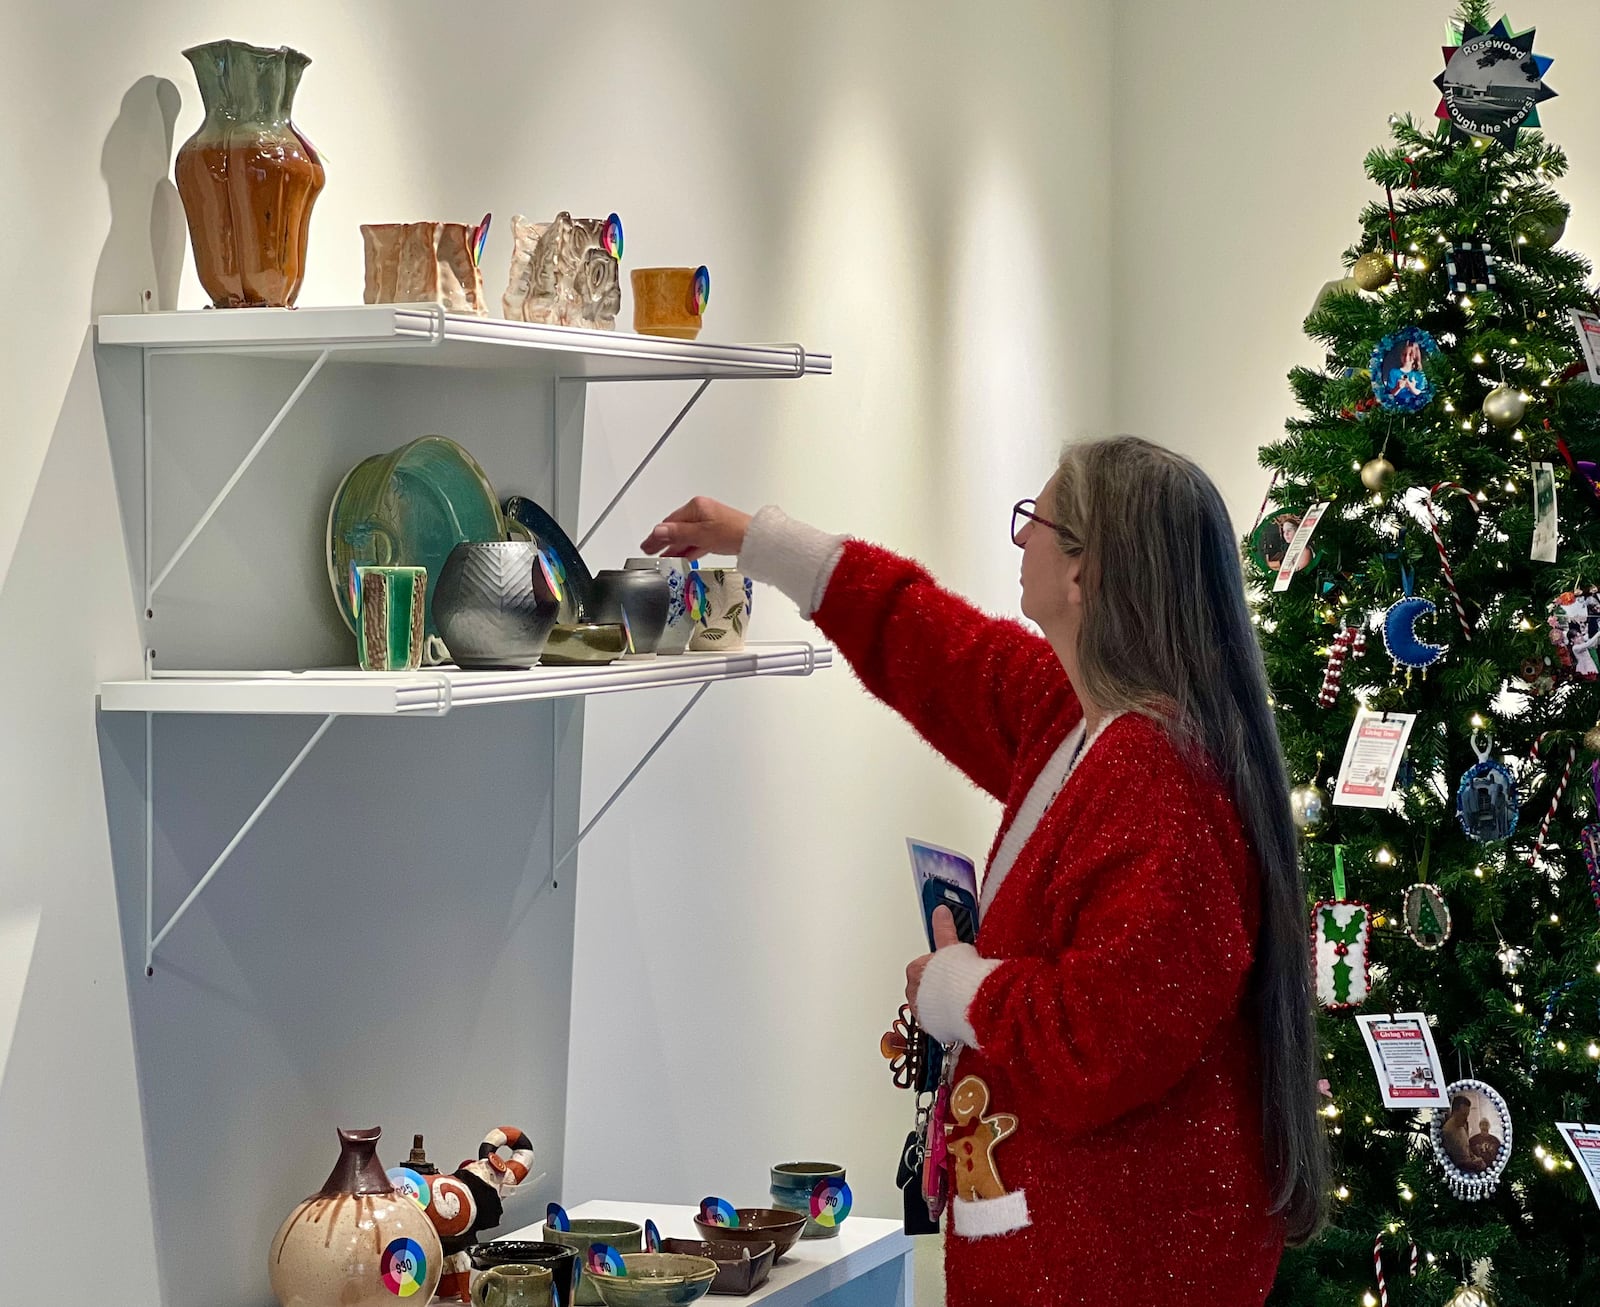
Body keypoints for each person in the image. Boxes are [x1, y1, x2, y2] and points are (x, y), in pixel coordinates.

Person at [641, 436, 1327, 1306]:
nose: (1020, 541)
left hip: (1121, 1261)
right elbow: (937, 648)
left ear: (1085, 572)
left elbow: (1104, 1039)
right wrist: (768, 543)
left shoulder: (1156, 779)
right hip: (1081, 1243)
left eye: (1034, 522)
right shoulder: (1081, 723)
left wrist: (961, 989)